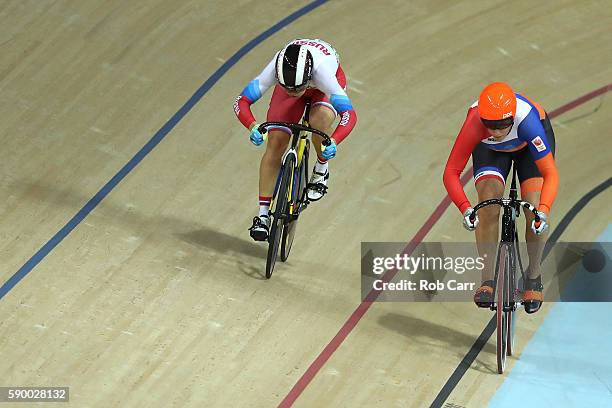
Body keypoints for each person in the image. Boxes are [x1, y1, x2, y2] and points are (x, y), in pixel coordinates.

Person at [443, 82, 559, 313]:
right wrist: (466, 208)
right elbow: (451, 172)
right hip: (491, 152)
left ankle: (533, 277)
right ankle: (487, 280)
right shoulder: (475, 123)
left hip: (528, 148)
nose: (496, 132)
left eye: (502, 125)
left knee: (533, 208)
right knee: (487, 204)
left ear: (512, 118)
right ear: (483, 119)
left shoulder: (528, 122)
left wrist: (543, 211)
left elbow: (550, 173)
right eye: (491, 126)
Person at [233, 39, 357, 241]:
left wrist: (334, 141)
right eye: (287, 88)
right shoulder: (276, 68)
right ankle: (263, 216)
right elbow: (242, 101)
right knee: (275, 142)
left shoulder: (324, 74)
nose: (291, 93)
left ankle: (321, 169)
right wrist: (253, 125)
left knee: (319, 121)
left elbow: (349, 115)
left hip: (322, 88)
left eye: (295, 89)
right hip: (297, 78)